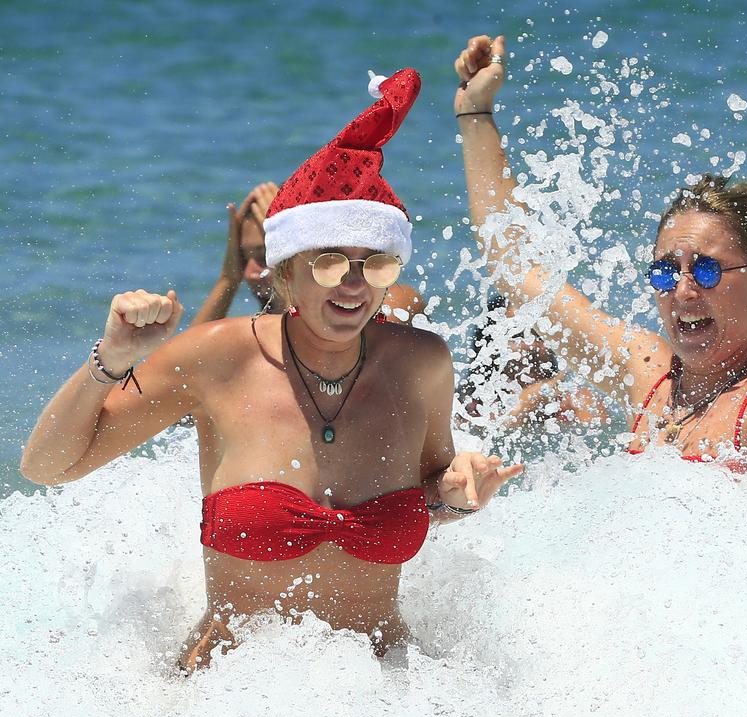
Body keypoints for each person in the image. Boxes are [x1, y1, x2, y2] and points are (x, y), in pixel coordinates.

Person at [20, 69, 522, 672]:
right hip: (230, 695)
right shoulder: (216, 358)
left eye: (376, 264)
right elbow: (47, 467)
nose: (355, 284)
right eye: (330, 263)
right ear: (286, 273)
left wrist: (454, 496)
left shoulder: (421, 362)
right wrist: (110, 364)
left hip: (389, 694)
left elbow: (429, 494)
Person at [453, 35, 747, 502]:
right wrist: (475, 115)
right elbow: (518, 274)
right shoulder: (647, 372)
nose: (682, 292)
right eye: (665, 272)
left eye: (706, 271)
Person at [191, 181, 428, 327]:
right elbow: (184, 378)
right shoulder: (256, 334)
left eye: (267, 256)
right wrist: (228, 279)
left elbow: (363, 346)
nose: (251, 273)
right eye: (244, 257)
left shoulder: (391, 301)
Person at [459, 295, 607, 429]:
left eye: (537, 334)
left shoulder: (575, 400)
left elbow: (602, 434)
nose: (530, 345)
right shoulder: (465, 403)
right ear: (489, 346)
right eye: (517, 335)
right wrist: (531, 399)